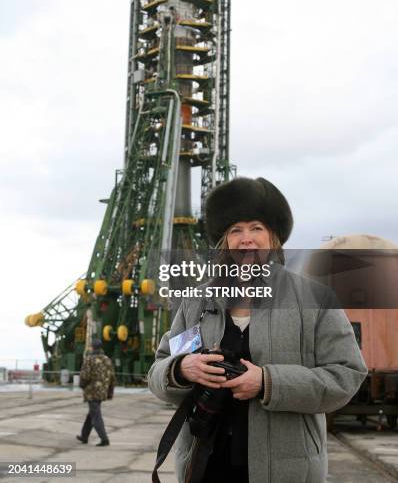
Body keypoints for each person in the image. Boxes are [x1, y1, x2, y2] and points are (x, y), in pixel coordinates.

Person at [148, 176, 368, 483]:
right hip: (204, 467)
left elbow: (347, 375)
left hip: (286, 470)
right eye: (235, 230)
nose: (246, 238)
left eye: (256, 228)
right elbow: (158, 371)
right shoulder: (197, 301)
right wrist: (182, 368)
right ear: (225, 241)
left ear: (273, 237)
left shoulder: (315, 300)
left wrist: (268, 382)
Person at [77, 338, 115, 447]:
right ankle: (84, 436)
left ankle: (104, 439)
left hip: (92, 392)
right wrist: (110, 392)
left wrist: (82, 385)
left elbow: (85, 376)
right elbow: (112, 377)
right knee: (92, 413)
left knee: (96, 416)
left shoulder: (89, 359)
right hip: (102, 392)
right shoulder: (107, 359)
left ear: (92, 347)